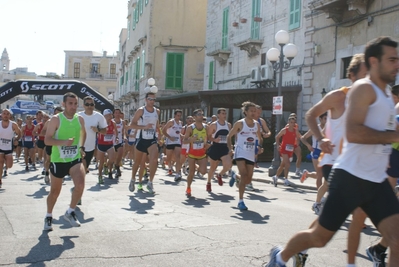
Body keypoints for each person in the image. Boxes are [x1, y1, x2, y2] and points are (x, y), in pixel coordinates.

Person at [265, 36, 399, 267]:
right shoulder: (363, 89)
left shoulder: (388, 96)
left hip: (376, 180)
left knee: (396, 239)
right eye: (392, 59)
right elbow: (354, 133)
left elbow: (386, 134)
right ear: (375, 62)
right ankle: (280, 256)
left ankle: (352, 262)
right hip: (350, 177)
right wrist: (321, 137)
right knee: (319, 237)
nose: (397, 64)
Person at [44, 92, 86, 230]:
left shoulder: (79, 119)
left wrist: (81, 147)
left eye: (75, 103)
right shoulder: (56, 119)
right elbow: (47, 140)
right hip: (58, 160)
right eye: (70, 103)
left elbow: (83, 134)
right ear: (64, 104)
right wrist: (63, 142)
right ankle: (48, 215)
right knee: (55, 192)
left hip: (74, 158)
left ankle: (70, 212)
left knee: (80, 184)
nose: (73, 106)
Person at [227, 101, 262, 210]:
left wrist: (260, 147)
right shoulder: (240, 123)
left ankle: (234, 176)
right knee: (243, 174)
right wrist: (231, 148)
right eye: (251, 111)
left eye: (254, 111)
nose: (253, 113)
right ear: (245, 112)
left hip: (251, 153)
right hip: (240, 152)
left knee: (248, 180)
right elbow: (229, 136)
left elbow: (260, 138)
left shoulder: (256, 125)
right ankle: (241, 201)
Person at [128, 92, 160, 194]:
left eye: (154, 99)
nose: (152, 101)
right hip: (141, 139)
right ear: (145, 100)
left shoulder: (157, 111)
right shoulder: (141, 111)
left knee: (154, 160)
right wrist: (144, 127)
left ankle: (150, 182)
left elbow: (156, 124)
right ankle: (133, 179)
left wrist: (160, 134)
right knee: (137, 162)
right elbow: (132, 124)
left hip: (152, 139)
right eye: (150, 99)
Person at [78, 97, 108, 174]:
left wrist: (98, 130)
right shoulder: (78, 116)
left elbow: (105, 131)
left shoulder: (98, 116)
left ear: (94, 105)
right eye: (87, 104)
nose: (89, 106)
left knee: (83, 170)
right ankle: (78, 185)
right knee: (80, 170)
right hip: (78, 147)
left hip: (90, 148)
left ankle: (79, 185)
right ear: (83, 105)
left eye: (91, 104)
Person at [183, 109, 209, 196]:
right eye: (199, 114)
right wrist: (191, 139)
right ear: (194, 117)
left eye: (202, 114)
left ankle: (196, 166)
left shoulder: (206, 127)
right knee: (191, 172)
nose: (201, 116)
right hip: (192, 154)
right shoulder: (191, 128)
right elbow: (184, 140)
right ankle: (188, 188)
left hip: (201, 153)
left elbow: (208, 139)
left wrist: (207, 144)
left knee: (203, 172)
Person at [272, 116, 303, 186]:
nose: (292, 124)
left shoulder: (295, 131)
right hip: (283, 149)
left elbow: (300, 137)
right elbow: (277, 137)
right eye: (291, 122)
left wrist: (300, 141)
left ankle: (275, 177)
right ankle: (286, 180)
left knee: (283, 165)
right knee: (288, 164)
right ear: (288, 122)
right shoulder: (284, 130)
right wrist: (278, 145)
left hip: (290, 150)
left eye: (293, 122)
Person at [206, 108, 232, 191]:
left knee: (228, 165)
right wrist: (214, 139)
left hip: (224, 147)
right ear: (218, 115)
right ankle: (208, 182)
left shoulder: (228, 125)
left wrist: (230, 147)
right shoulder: (214, 125)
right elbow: (208, 136)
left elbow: (229, 137)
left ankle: (220, 174)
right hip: (215, 147)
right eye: (223, 113)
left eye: (225, 113)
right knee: (213, 168)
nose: (225, 115)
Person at [299, 112, 327, 188]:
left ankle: (307, 174)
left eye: (328, 119)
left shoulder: (328, 129)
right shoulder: (315, 129)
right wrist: (308, 145)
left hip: (325, 153)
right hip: (316, 152)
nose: (326, 120)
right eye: (325, 118)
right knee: (320, 174)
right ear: (320, 119)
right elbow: (303, 138)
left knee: (323, 174)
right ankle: (320, 196)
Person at [0, 109, 21, 188]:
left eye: (7, 114)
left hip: (9, 147)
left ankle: (6, 164)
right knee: (0, 163)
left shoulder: (13, 124)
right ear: (1, 115)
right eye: (4, 113)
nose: (5, 115)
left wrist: (16, 139)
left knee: (9, 165)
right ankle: (0, 179)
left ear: (10, 116)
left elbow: (19, 133)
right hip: (0, 147)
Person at [42, 106, 64, 184]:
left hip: (61, 143)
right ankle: (47, 173)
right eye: (55, 114)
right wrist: (49, 133)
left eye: (59, 114)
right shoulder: (49, 121)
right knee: (49, 160)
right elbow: (43, 131)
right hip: (51, 143)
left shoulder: (65, 122)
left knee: (61, 160)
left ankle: (61, 175)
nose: (57, 116)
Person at [96, 109, 117, 183]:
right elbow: (97, 130)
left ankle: (106, 166)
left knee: (112, 158)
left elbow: (115, 131)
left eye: (111, 115)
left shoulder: (113, 123)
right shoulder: (100, 123)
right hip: (101, 144)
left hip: (110, 144)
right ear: (104, 116)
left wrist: (116, 138)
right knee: (101, 161)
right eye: (108, 115)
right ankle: (100, 176)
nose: (110, 116)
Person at [162, 109, 183, 181]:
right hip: (170, 141)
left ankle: (178, 173)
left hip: (177, 141)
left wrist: (181, 136)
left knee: (178, 157)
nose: (179, 117)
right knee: (169, 157)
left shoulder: (180, 123)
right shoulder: (171, 122)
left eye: (180, 115)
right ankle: (169, 167)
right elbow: (163, 131)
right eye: (177, 115)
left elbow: (178, 132)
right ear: (174, 115)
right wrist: (169, 137)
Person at [113, 109, 125, 177]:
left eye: (118, 113)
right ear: (114, 114)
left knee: (120, 154)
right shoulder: (112, 121)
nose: (117, 114)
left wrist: (125, 137)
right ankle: (109, 167)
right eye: (116, 113)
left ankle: (117, 166)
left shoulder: (122, 122)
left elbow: (123, 131)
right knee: (113, 156)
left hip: (120, 140)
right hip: (112, 140)